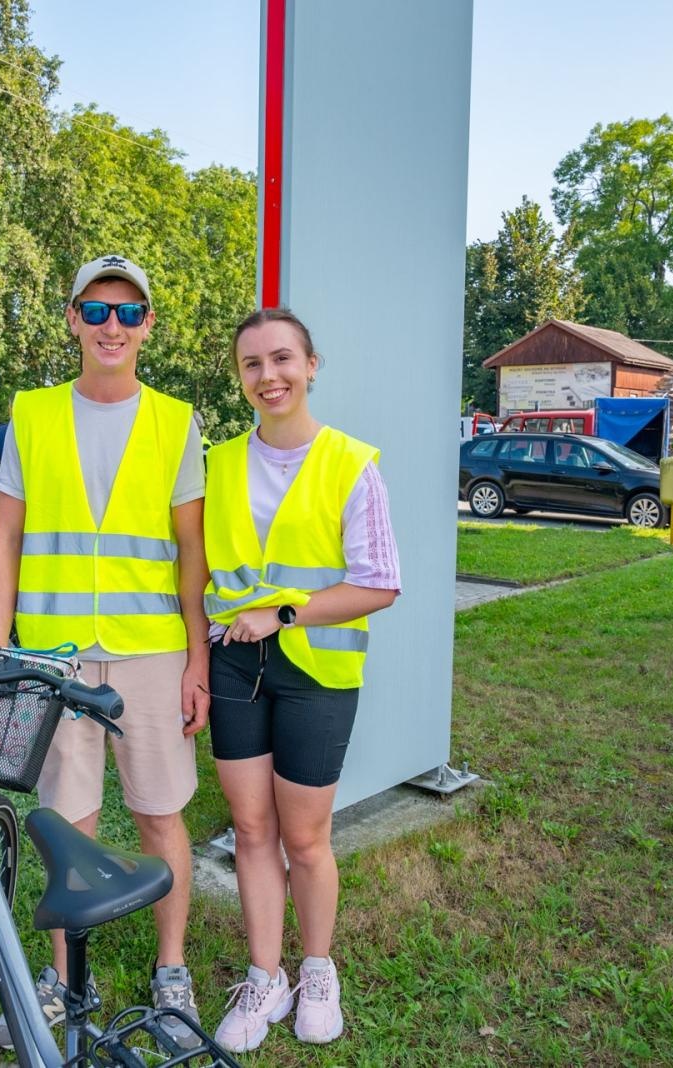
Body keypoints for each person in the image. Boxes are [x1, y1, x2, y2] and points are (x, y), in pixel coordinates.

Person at [0, 255, 210, 1051]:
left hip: (152, 653)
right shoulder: (32, 415)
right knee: (65, 821)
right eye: (97, 309)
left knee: (159, 813)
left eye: (129, 311)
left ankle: (170, 971)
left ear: (148, 325)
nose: (113, 325)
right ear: (72, 318)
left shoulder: (179, 420)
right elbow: (4, 537)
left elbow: (192, 554)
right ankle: (60, 978)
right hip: (55, 655)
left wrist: (197, 663)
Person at [205, 308, 399, 1052]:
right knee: (251, 831)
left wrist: (282, 613)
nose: (269, 376)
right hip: (232, 665)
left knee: (306, 837)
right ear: (241, 377)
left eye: (282, 359)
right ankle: (266, 978)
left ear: (311, 365)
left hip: (316, 671)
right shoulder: (217, 463)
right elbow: (201, 575)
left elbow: (380, 584)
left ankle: (318, 969)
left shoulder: (352, 463)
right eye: (252, 364)